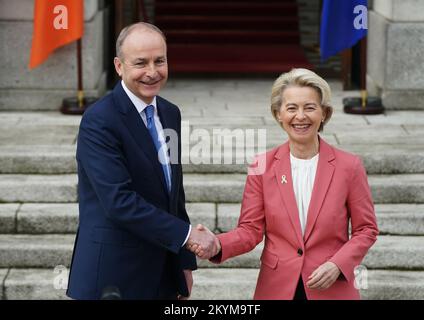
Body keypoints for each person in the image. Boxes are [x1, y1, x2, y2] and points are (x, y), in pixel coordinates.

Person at [189, 68, 379, 300]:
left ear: (324, 113)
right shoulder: (262, 166)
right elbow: (250, 230)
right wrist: (217, 243)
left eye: (310, 107)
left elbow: (366, 230)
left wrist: (338, 264)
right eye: (291, 108)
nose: (300, 116)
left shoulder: (349, 166)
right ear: (278, 114)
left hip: (330, 287)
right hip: (276, 288)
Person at [66, 22, 218, 300]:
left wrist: (183, 264)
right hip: (113, 277)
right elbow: (118, 201)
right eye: (140, 63)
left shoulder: (170, 113)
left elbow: (174, 194)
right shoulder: (99, 120)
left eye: (159, 61)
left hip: (161, 274)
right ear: (119, 66)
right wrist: (187, 236)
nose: (152, 72)